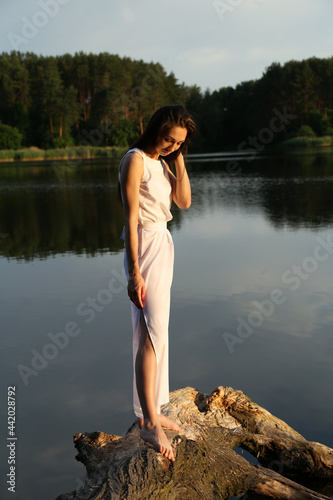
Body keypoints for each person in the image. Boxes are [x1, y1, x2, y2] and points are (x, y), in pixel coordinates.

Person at [118, 105, 196, 461]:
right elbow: (132, 218)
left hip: (162, 243)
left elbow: (183, 202)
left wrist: (178, 160)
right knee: (149, 333)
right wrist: (134, 271)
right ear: (155, 130)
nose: (171, 145)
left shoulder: (164, 161)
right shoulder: (134, 160)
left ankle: (152, 410)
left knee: (158, 331)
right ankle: (148, 421)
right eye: (168, 139)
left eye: (178, 142)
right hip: (144, 245)